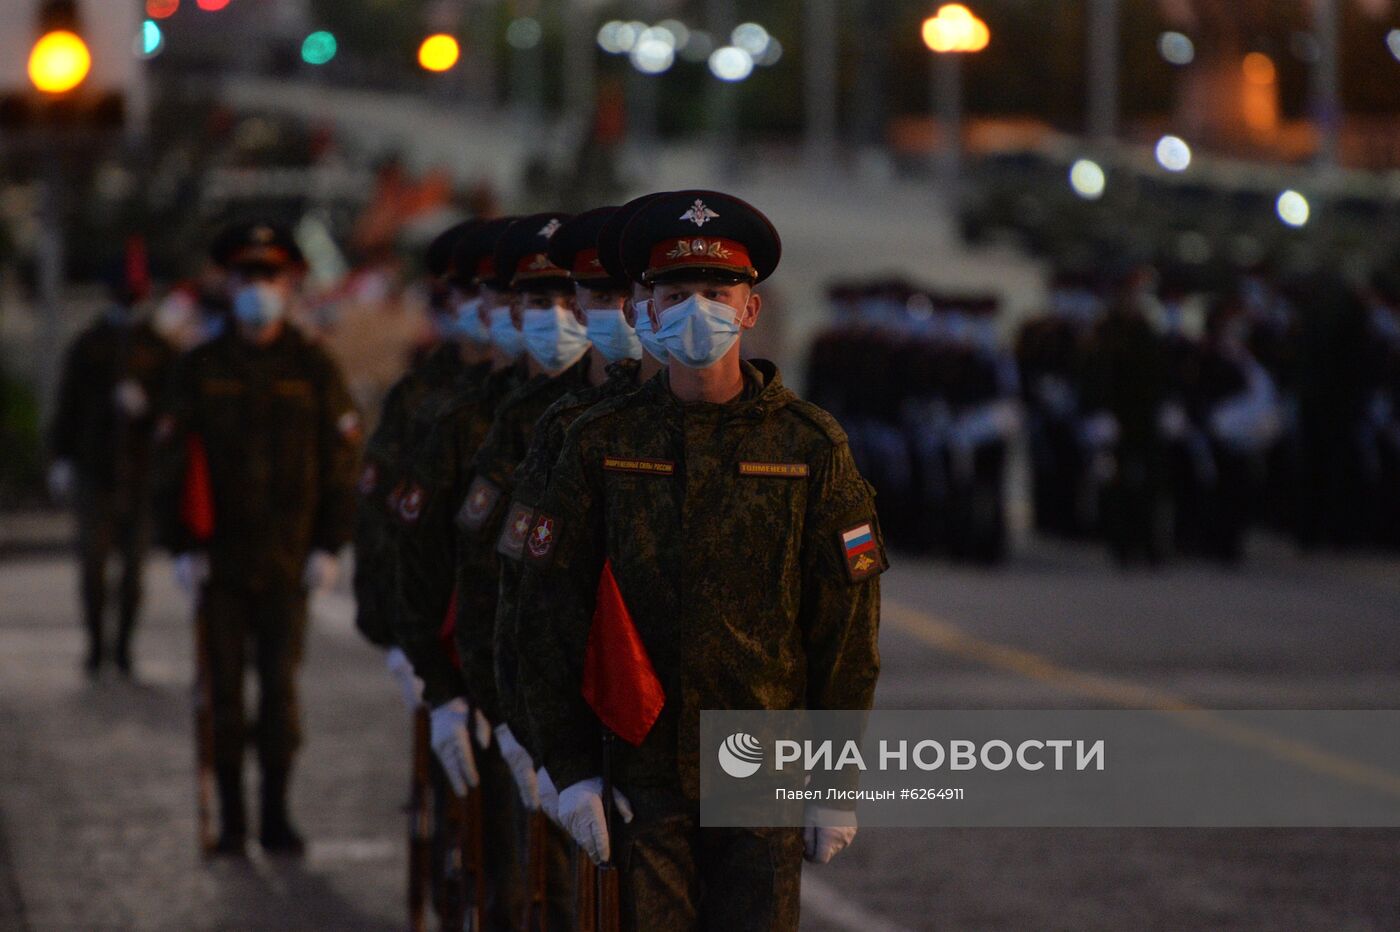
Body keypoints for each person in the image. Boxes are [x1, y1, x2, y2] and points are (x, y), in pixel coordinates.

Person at [516, 190, 884, 931]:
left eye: (717, 294)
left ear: (751, 310)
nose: (696, 311)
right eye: (676, 294)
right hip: (639, 770)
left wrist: (834, 778)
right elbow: (546, 611)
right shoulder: (599, 442)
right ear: (644, 310)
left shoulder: (810, 447)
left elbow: (843, 631)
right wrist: (570, 767)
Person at [154, 220, 361, 856]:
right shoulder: (199, 368)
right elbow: (171, 463)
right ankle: (233, 820)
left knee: (279, 700)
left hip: (287, 561)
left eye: (270, 277)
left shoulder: (314, 365)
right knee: (222, 699)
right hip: (220, 563)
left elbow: (341, 461)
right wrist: (181, 547)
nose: (259, 288)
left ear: (289, 283)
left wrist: (330, 544)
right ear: (229, 283)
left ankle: (275, 813)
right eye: (248, 276)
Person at [48, 261, 176, 677]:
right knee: (93, 567)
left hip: (140, 472)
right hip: (95, 469)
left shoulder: (159, 348)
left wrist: (149, 409)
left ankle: (123, 648)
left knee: (134, 573)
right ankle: (96, 647)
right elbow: (68, 403)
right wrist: (61, 457)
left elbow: (177, 410)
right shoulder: (90, 344)